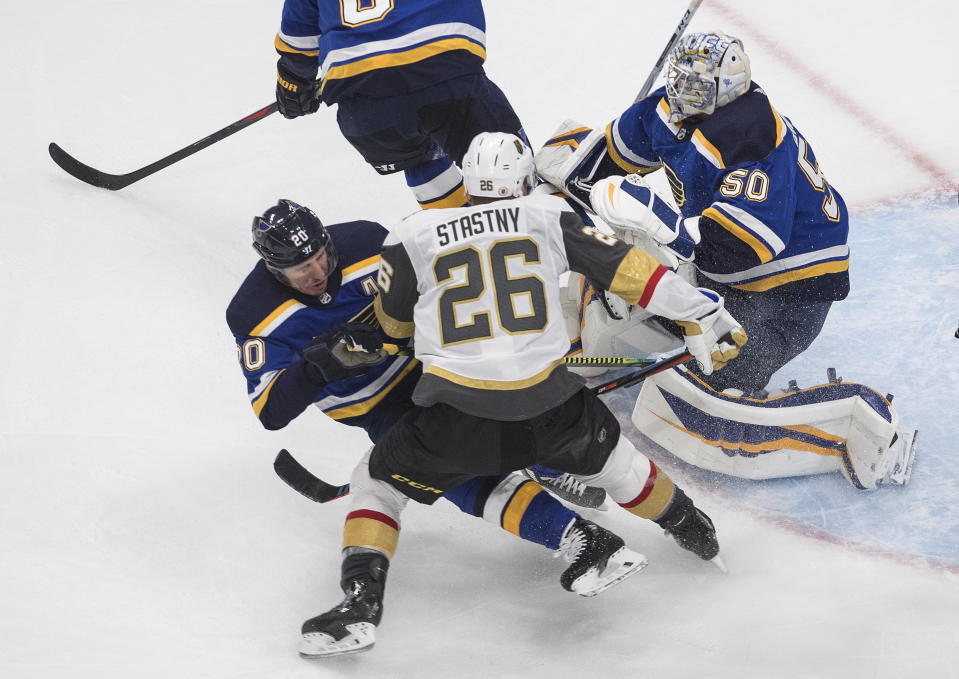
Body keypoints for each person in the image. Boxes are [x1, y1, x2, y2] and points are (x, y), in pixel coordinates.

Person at [298, 132, 749, 657]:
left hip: (456, 419)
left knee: (375, 484)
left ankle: (361, 605)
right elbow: (637, 276)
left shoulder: (412, 234)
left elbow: (394, 329)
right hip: (554, 408)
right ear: (525, 179)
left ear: (468, 179)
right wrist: (702, 312)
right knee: (624, 469)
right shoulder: (548, 214)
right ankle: (698, 535)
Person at [225, 198, 646, 658]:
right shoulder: (253, 313)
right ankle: (570, 516)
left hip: (441, 366)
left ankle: (361, 602)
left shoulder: (364, 239)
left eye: (321, 256)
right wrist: (320, 366)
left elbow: (435, 283)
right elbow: (272, 411)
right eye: (301, 268)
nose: (318, 271)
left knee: (390, 478)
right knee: (460, 465)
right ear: (272, 268)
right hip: (382, 409)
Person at [535, 31, 914, 490]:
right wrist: (570, 178)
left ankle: (850, 423)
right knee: (607, 254)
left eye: (697, 87)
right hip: (721, 275)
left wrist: (662, 229)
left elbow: (741, 248)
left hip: (788, 296)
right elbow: (609, 158)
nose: (681, 93)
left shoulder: (752, 137)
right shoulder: (673, 107)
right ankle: (604, 337)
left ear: (729, 89)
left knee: (705, 412)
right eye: (679, 80)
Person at [272, 0, 525, 210]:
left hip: (363, 105)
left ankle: (459, 248)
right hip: (444, 68)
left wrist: (293, 85)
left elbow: (298, 42)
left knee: (418, 157)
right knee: (508, 157)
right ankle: (529, 231)